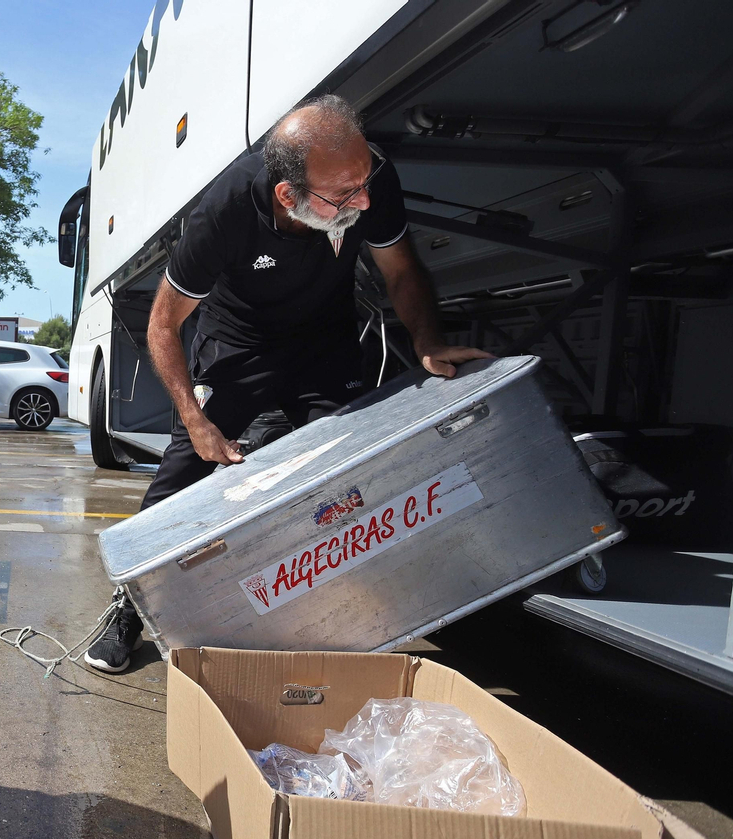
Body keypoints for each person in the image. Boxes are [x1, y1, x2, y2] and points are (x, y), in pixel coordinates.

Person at [82, 95, 492, 673]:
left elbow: (400, 270)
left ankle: (339, 602)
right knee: (186, 470)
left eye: (365, 182)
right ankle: (127, 606)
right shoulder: (225, 210)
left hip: (324, 340)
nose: (365, 199)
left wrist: (426, 341)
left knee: (347, 469)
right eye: (345, 195)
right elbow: (163, 323)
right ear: (287, 195)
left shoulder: (364, 175)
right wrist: (195, 420)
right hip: (239, 343)